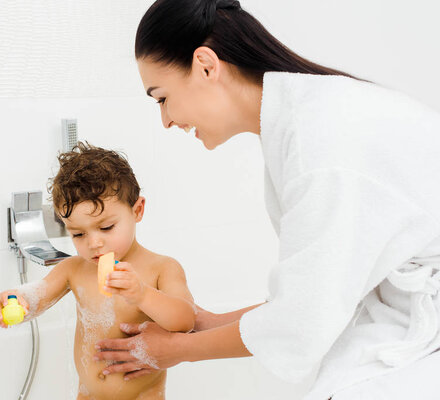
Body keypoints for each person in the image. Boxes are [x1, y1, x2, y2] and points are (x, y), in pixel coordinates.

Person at [93, 1, 440, 399]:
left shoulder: (321, 142)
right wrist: (206, 322)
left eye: (161, 98)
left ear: (206, 66)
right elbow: (311, 297)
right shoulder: (304, 120)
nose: (166, 120)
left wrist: (178, 350)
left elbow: (302, 320)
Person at [0, 142, 195, 400]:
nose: (93, 243)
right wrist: (17, 300)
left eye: (107, 227)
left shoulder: (161, 268)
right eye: (78, 233)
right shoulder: (74, 269)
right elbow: (37, 297)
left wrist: (142, 294)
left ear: (138, 210)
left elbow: (186, 320)